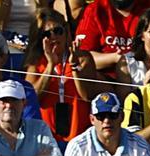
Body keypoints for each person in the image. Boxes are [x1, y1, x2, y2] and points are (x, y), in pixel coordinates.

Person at [24, 9, 100, 145]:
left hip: (80, 137)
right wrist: (50, 66)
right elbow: (32, 98)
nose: (53, 37)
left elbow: (88, 95)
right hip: (46, 139)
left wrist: (74, 66)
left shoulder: (82, 58)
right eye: (47, 33)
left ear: (66, 32)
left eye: (58, 31)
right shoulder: (35, 63)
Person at [76, 0, 150, 74]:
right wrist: (116, 58)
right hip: (107, 80)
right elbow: (82, 58)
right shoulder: (95, 9)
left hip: (146, 74)